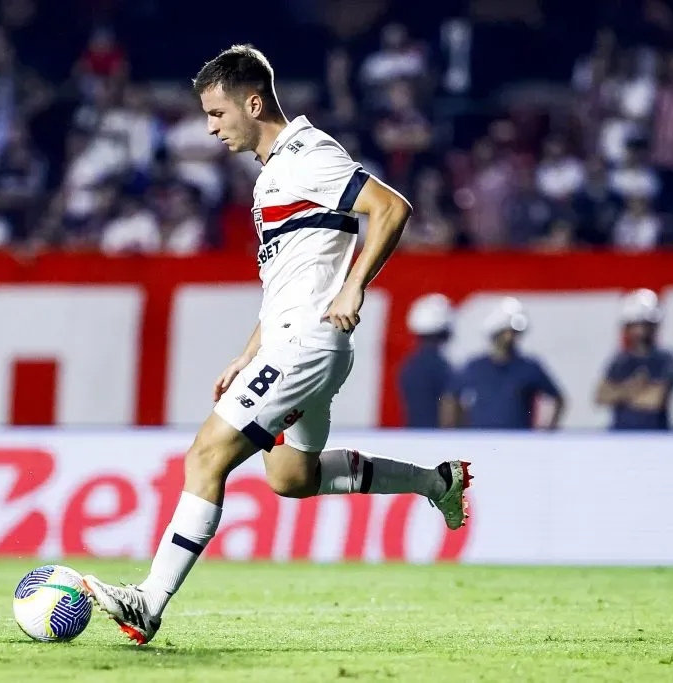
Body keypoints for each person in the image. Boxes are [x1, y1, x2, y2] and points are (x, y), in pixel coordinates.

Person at [82, 45, 472, 645]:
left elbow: (391, 208)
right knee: (291, 477)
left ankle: (148, 602)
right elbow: (292, 281)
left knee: (206, 456)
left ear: (253, 102)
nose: (210, 128)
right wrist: (246, 353)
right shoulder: (272, 176)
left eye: (216, 114)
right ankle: (435, 483)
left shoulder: (307, 155)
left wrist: (354, 288)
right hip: (294, 341)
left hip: (309, 343)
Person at [447, 297, 566, 429]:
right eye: (507, 331)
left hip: (518, 442)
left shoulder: (529, 367)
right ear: (496, 333)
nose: (511, 337)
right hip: (480, 442)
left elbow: (558, 399)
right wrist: (457, 432)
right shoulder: (475, 366)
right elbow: (451, 397)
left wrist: (546, 432)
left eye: (515, 332)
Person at [594, 289, 673, 430]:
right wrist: (635, 389)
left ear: (654, 326)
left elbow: (654, 400)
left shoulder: (665, 359)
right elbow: (601, 396)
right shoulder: (620, 360)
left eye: (643, 324)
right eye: (634, 325)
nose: (639, 331)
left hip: (656, 435)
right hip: (619, 435)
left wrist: (619, 392)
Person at [398, 293, 456, 428]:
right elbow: (449, 416)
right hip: (436, 440)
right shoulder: (442, 367)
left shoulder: (408, 366)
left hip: (412, 436)